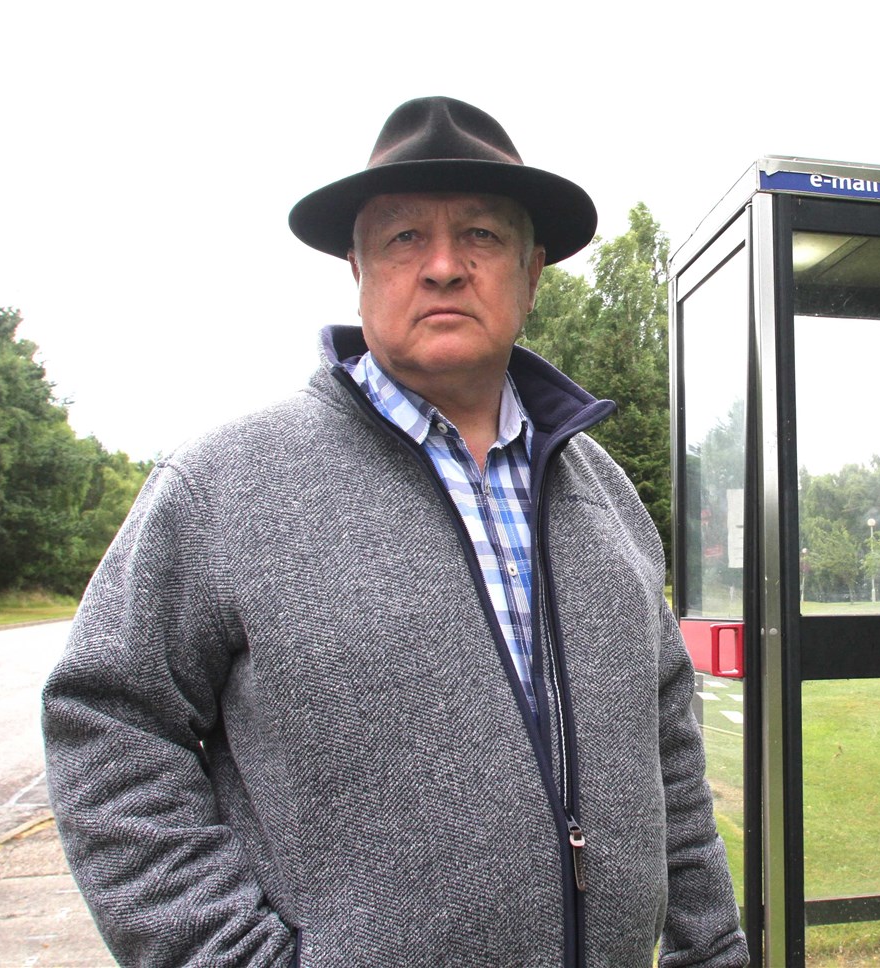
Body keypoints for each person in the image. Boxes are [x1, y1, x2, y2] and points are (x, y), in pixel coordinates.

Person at [42, 97, 749, 968]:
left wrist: (713, 947)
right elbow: (107, 720)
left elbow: (670, 750)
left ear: (531, 276)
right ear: (359, 271)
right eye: (404, 238)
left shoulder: (607, 502)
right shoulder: (227, 485)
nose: (444, 266)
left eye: (482, 236)